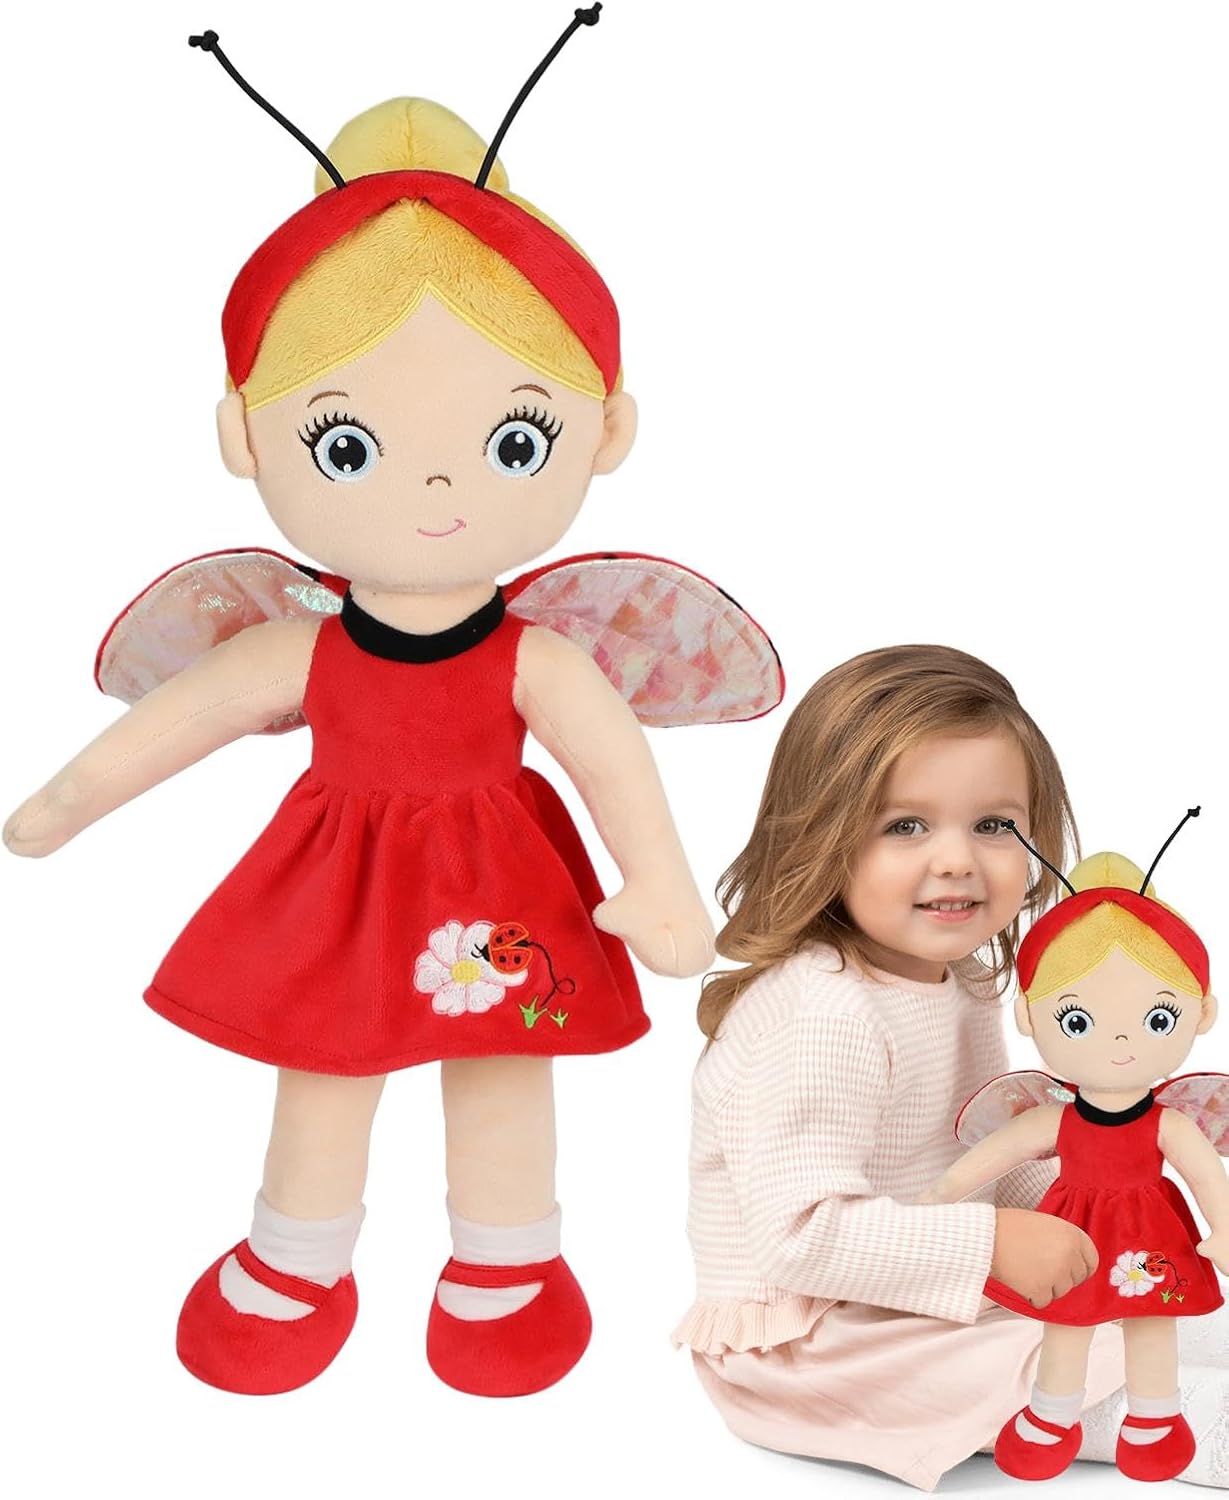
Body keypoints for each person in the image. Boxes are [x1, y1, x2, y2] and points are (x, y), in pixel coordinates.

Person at [673, 644, 1228, 1489]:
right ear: (822, 834)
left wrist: (1105, 1213)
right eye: (905, 826)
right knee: (1077, 1360)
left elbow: (991, 1153)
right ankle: (1180, 1421)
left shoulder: (960, 980)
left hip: (925, 1288)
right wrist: (998, 1241)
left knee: (1164, 1290)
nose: (957, 860)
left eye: (994, 825)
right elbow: (798, 1239)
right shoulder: (819, 1012)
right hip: (817, 1340)